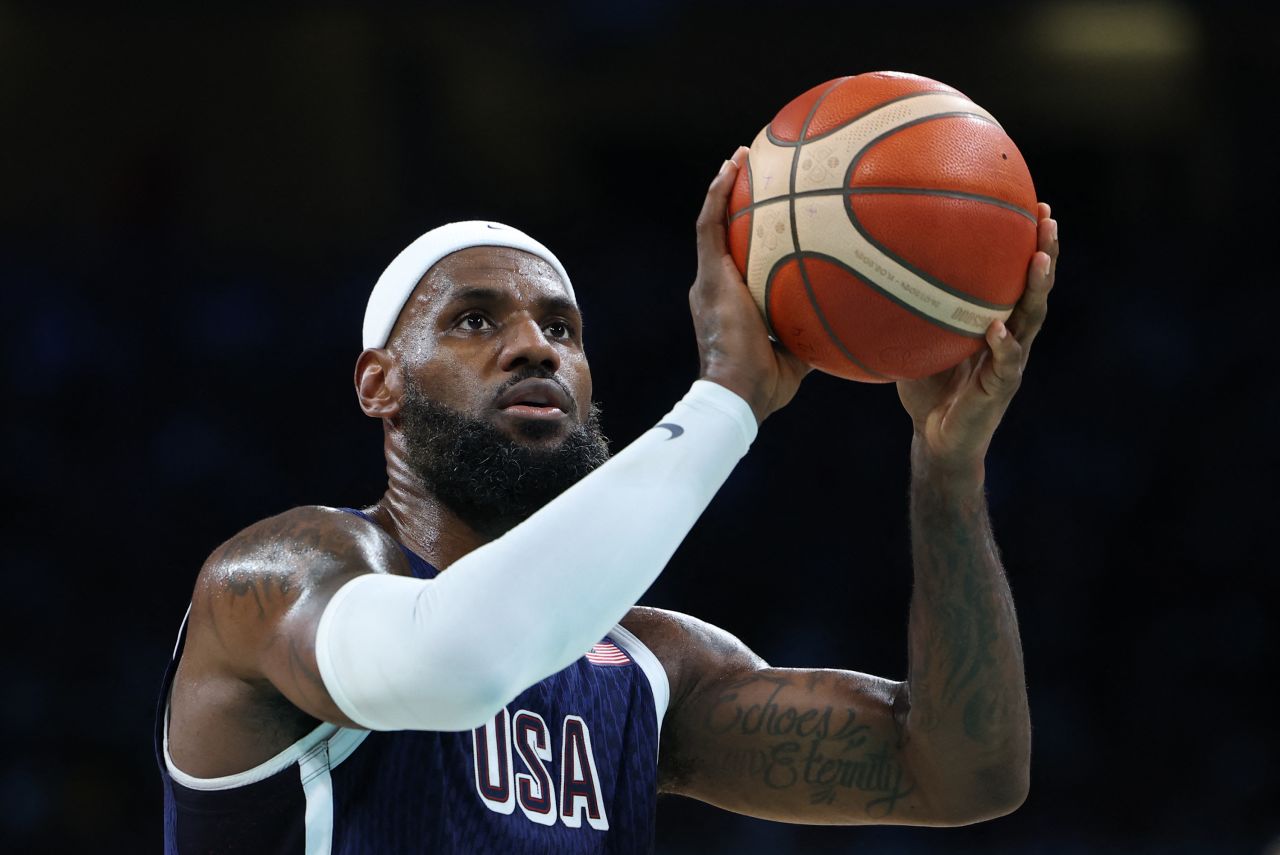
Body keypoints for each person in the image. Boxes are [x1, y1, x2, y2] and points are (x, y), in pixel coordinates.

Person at [154, 146, 1058, 854]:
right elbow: (451, 662)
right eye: (475, 319)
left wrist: (947, 474)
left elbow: (961, 773)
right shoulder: (273, 579)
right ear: (379, 382)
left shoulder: (648, 665)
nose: (534, 347)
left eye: (561, 328)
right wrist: (726, 402)